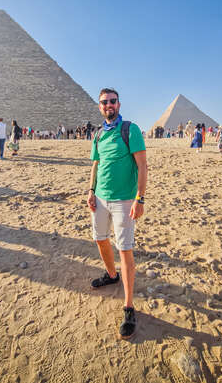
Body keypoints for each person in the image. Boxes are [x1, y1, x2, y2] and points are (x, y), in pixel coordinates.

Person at [86, 88, 147, 340]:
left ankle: (129, 306)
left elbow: (142, 165)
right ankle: (112, 275)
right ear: (99, 106)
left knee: (124, 248)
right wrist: (90, 190)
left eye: (112, 101)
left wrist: (139, 199)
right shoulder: (99, 134)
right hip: (99, 198)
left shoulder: (130, 129)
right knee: (100, 239)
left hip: (124, 200)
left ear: (119, 103)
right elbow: (96, 164)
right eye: (104, 102)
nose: (108, 105)